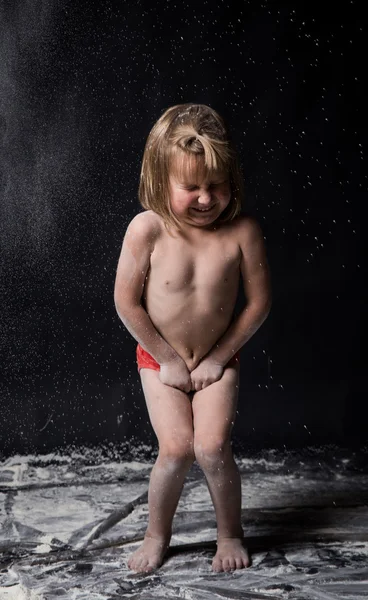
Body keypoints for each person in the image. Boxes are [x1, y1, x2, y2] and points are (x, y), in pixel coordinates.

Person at [114, 103, 271, 573]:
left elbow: (258, 304)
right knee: (178, 448)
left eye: (216, 185)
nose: (206, 198)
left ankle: (230, 534)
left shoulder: (242, 232)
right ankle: (156, 535)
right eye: (191, 188)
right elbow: (127, 302)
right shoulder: (147, 229)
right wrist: (167, 359)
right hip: (159, 358)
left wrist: (218, 358)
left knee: (211, 448)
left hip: (216, 358)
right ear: (162, 182)